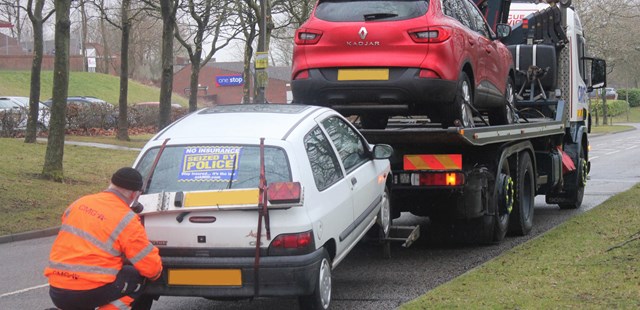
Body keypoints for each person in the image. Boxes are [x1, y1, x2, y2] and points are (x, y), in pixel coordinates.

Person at [44, 167, 162, 310]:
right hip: (86, 290)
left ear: (111, 183)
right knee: (138, 279)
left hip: (57, 289)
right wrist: (156, 275)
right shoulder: (126, 219)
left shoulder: (79, 203)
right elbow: (150, 267)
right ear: (133, 195)